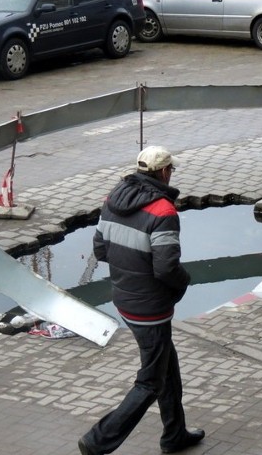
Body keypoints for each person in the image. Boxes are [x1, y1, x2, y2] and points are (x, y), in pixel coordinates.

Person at [79, 146, 204, 455]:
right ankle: (98, 440)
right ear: (163, 172)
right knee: (150, 380)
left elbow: (101, 251)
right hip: (151, 309)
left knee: (165, 366)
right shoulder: (162, 211)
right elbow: (165, 268)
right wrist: (183, 283)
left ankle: (175, 434)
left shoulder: (112, 199)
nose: (171, 174)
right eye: (171, 170)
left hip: (125, 300)